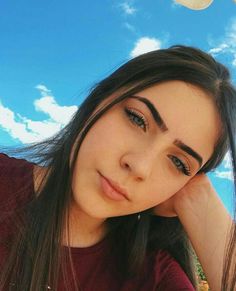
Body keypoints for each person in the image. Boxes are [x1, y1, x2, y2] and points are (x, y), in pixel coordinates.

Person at [0, 45, 235, 291]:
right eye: (137, 119)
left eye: (178, 163)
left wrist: (200, 202)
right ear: (101, 100)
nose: (139, 166)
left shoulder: (153, 279)